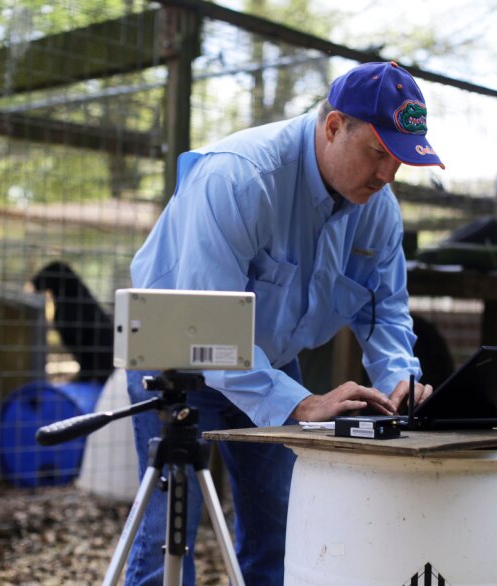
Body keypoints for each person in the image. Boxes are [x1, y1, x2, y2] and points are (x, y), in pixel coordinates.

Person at [125, 61, 444, 585]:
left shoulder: (378, 208)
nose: (388, 175)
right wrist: (298, 403)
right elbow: (207, 325)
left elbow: (384, 310)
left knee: (279, 522)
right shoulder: (241, 177)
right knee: (170, 531)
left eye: (401, 160)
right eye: (378, 153)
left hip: (268, 360)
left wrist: (398, 381)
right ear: (334, 126)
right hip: (176, 356)